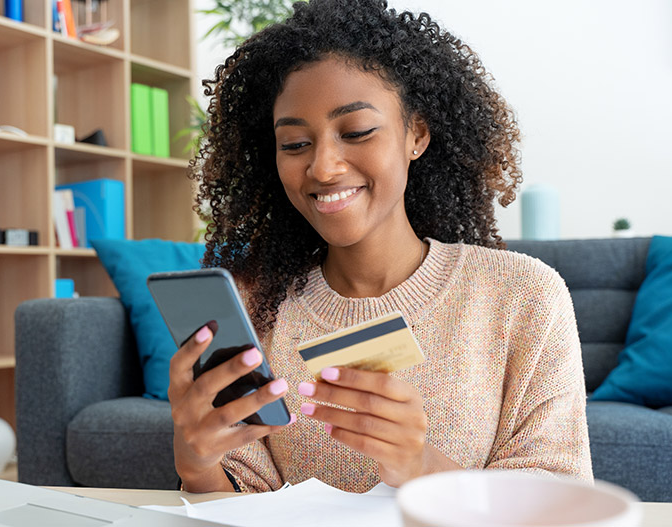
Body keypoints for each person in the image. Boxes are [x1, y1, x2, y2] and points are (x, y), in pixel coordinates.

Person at [170, 0, 593, 494]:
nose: (323, 168)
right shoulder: (254, 305)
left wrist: (422, 467)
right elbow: (244, 504)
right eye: (294, 144)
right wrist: (197, 465)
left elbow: (559, 501)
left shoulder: (524, 296)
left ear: (416, 133)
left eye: (356, 132)